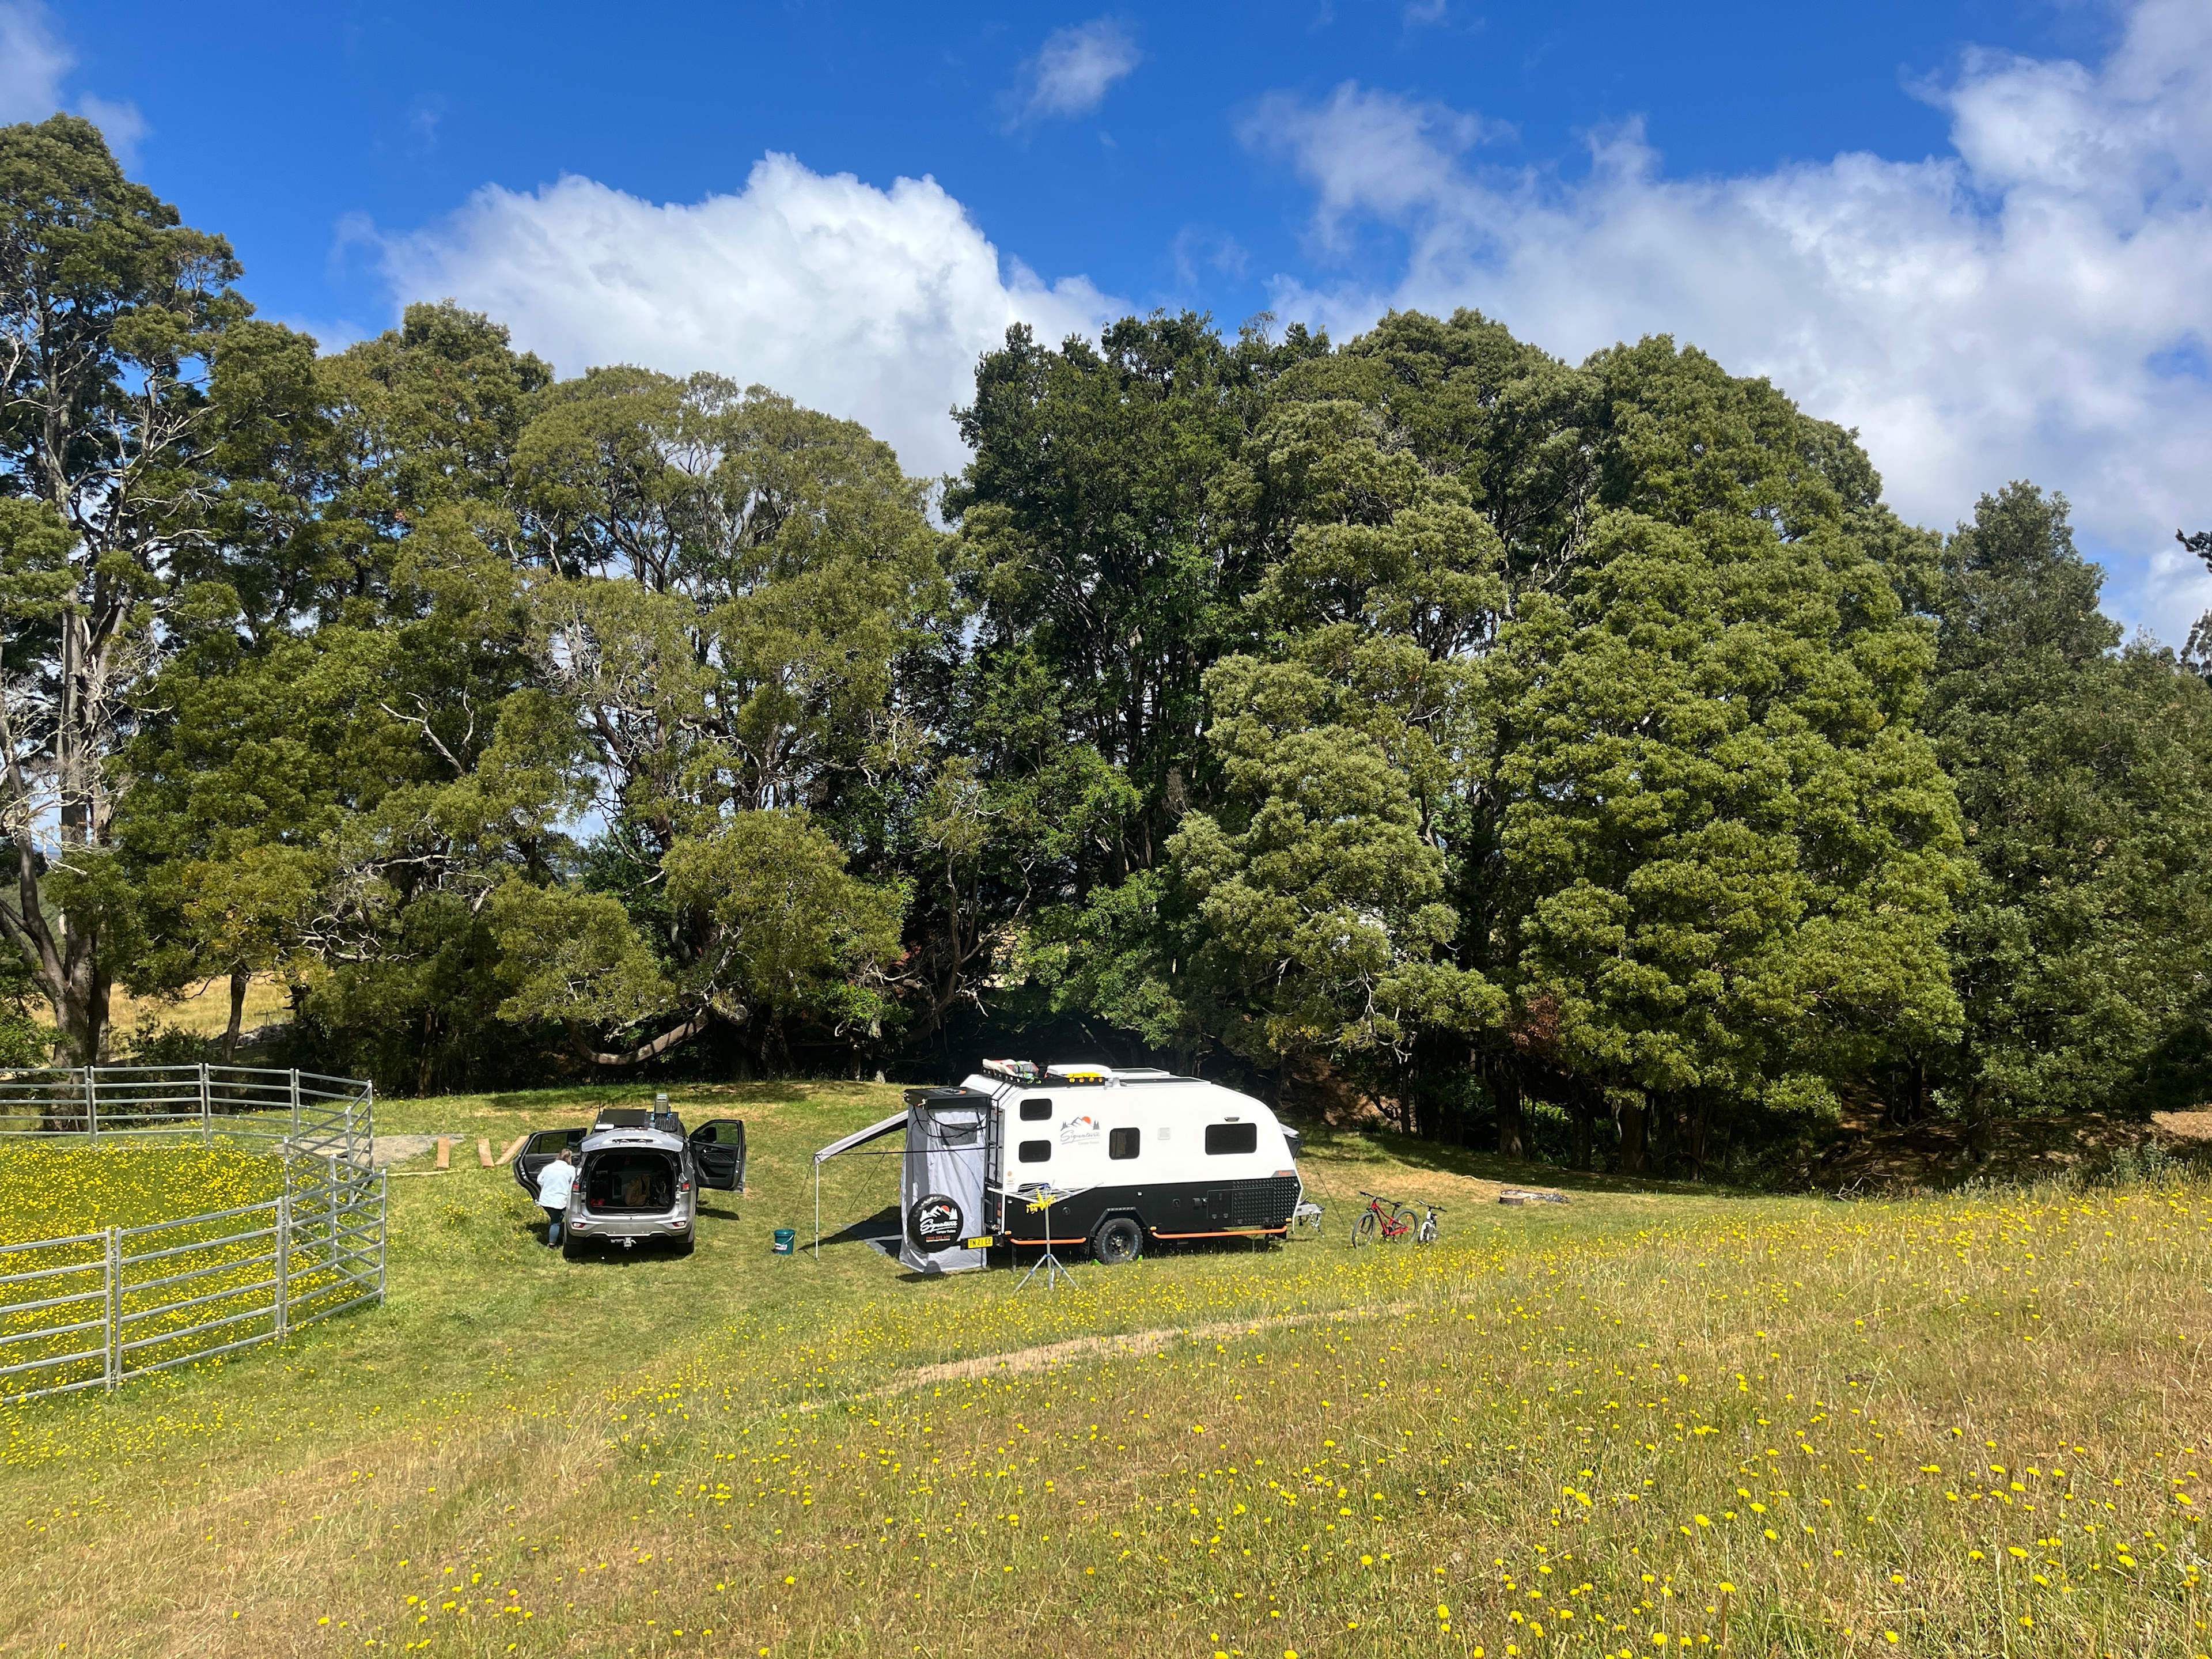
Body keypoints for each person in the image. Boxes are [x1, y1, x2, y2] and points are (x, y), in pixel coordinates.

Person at [536, 1146, 579, 1246]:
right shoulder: (571, 1170)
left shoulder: (547, 1168)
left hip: (545, 1200)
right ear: (569, 1159)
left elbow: (539, 1180)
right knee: (556, 1222)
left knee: (555, 1219)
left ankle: (556, 1234)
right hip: (559, 1201)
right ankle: (552, 1243)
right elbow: (574, 1183)